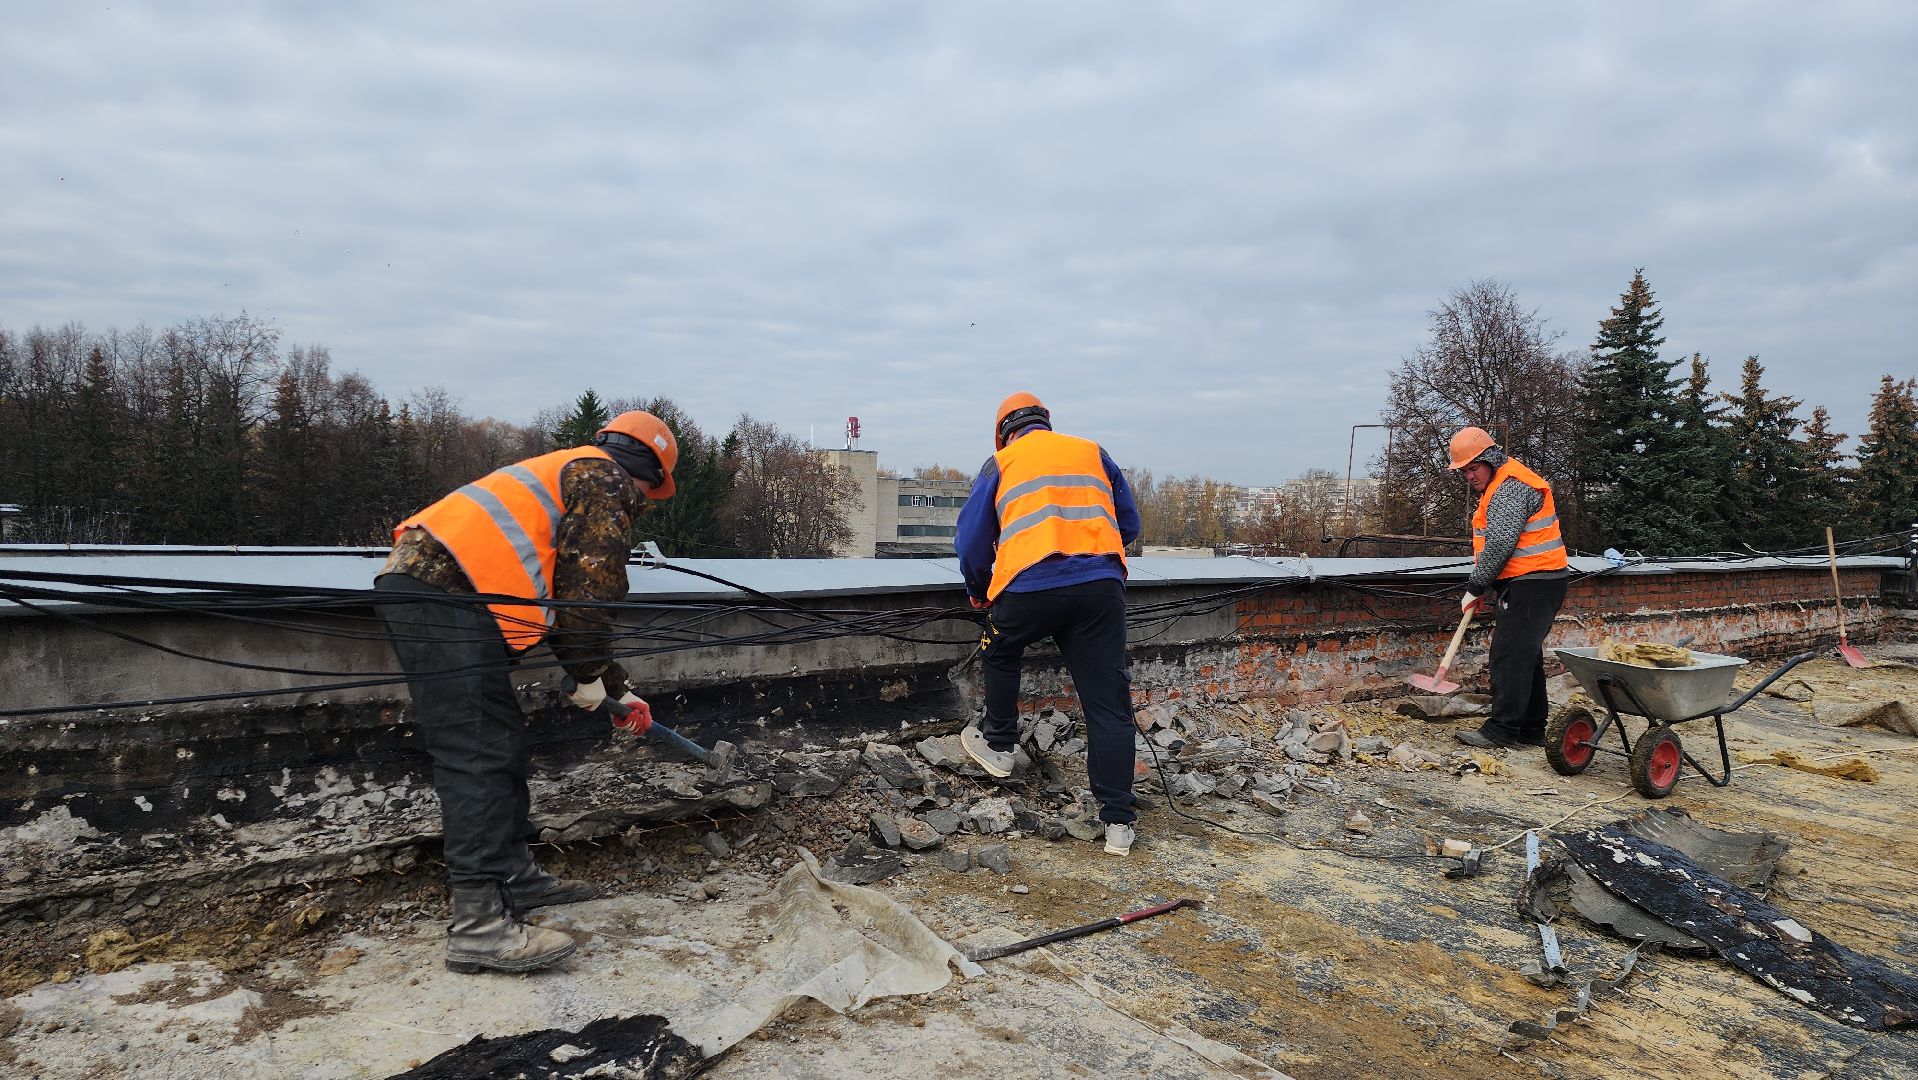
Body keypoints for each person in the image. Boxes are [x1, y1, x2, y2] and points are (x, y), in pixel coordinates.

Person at [374, 410, 677, 974]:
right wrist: (588, 675)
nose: (644, 501)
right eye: (650, 492)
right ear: (646, 473)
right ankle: (479, 927)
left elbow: (567, 599)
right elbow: (589, 595)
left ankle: (513, 874)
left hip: (441, 592)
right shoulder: (603, 479)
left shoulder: (567, 471)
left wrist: (614, 688)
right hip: (441, 597)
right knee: (477, 750)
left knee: (499, 739)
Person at [953, 393, 1143, 856]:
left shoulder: (1001, 461)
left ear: (1004, 431)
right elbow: (1130, 525)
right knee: (1108, 703)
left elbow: (971, 544)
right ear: (1046, 423)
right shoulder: (1092, 452)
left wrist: (980, 592)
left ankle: (999, 745)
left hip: (1027, 586)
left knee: (998, 647)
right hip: (1100, 590)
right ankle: (1118, 823)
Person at [1446, 426, 1569, 750]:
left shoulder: (1511, 487)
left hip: (1535, 582)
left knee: (1509, 655)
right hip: (1532, 581)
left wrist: (1475, 586)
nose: (1469, 476)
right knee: (1526, 657)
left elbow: (1500, 544)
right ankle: (1531, 729)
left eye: (1473, 468)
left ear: (1490, 459)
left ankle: (1501, 730)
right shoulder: (1502, 485)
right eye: (1464, 471)